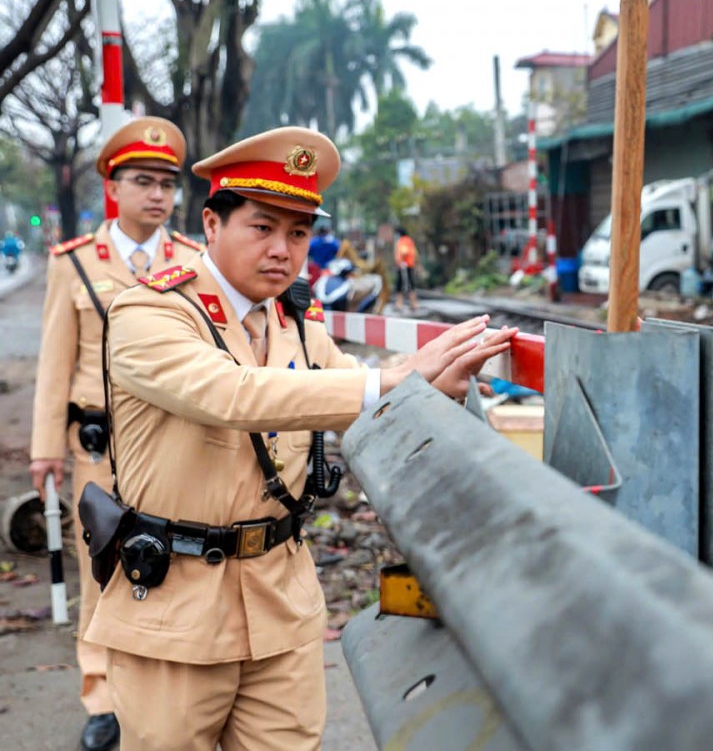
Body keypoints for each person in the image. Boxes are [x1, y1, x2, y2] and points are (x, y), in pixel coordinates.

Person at [84, 126, 516, 751]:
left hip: (280, 603)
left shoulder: (295, 323)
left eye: (298, 233)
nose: (283, 250)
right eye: (263, 227)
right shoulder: (149, 313)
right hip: (175, 609)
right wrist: (390, 380)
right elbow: (231, 394)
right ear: (211, 224)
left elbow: (361, 397)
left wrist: (434, 382)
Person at [29, 116, 198, 751]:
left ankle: (163, 686)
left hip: (174, 439)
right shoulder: (73, 265)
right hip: (98, 442)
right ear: (114, 187)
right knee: (99, 563)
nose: (157, 195)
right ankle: (102, 697)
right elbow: (54, 362)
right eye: (143, 182)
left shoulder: (191, 260)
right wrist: (45, 447)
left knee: (172, 563)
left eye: (166, 184)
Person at [393, 225, 420, 312]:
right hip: (409, 265)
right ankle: (411, 304)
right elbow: (415, 253)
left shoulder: (403, 240)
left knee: (404, 285)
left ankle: (408, 304)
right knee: (408, 285)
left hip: (404, 266)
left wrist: (401, 260)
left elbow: (404, 251)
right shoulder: (409, 240)